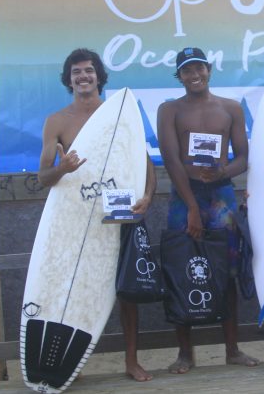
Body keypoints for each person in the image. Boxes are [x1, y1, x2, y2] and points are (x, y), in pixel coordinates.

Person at [38, 48, 157, 381]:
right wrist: (61, 168)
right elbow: (43, 177)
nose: (83, 77)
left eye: (88, 71)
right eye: (76, 72)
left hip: (118, 214)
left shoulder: (120, 115)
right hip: (74, 219)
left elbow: (146, 165)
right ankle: (69, 364)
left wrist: (147, 197)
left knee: (125, 292)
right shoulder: (57, 121)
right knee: (71, 288)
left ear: (99, 76)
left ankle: (131, 360)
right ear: (68, 79)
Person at [156, 46, 259, 374]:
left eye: (199, 68)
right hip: (183, 197)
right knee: (181, 268)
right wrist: (191, 208)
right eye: (187, 70)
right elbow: (171, 159)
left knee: (226, 271)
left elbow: (243, 155)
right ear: (180, 75)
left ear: (209, 70)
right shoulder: (169, 109)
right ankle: (185, 353)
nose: (194, 74)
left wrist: (223, 173)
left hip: (221, 197)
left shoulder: (231, 108)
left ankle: (232, 349)